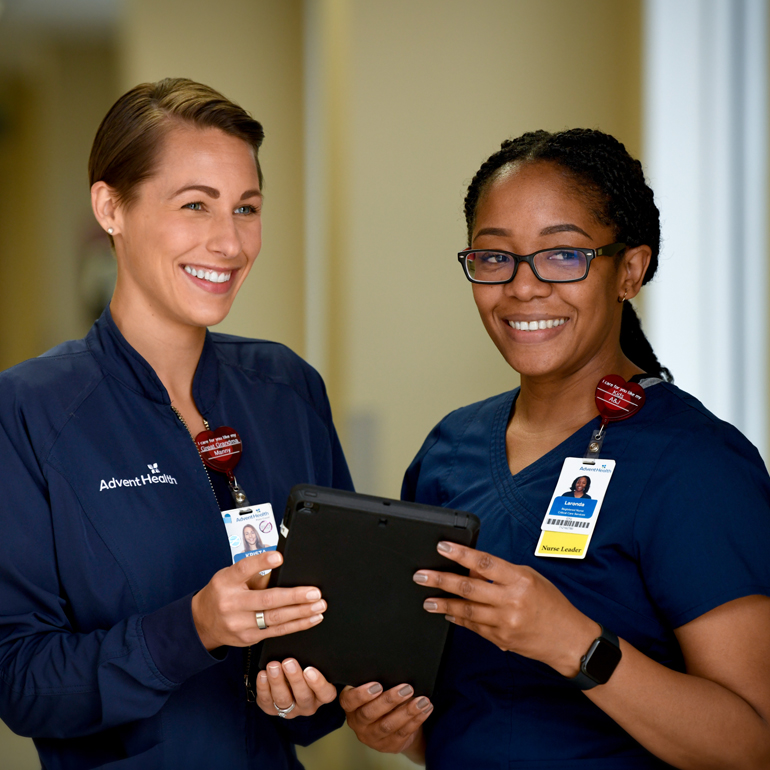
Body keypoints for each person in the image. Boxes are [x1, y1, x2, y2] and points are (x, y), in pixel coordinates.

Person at [340, 129, 770, 768]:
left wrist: (575, 645)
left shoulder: (696, 465)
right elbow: (463, 718)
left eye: (563, 255)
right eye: (494, 258)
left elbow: (752, 744)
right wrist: (393, 727)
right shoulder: (449, 451)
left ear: (630, 270)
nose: (522, 287)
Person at [0, 78, 353, 769]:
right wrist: (191, 629)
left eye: (246, 208)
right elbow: (21, 683)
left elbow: (330, 645)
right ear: (111, 208)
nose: (228, 241)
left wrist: (310, 694)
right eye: (195, 205)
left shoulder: (288, 390)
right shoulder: (29, 411)